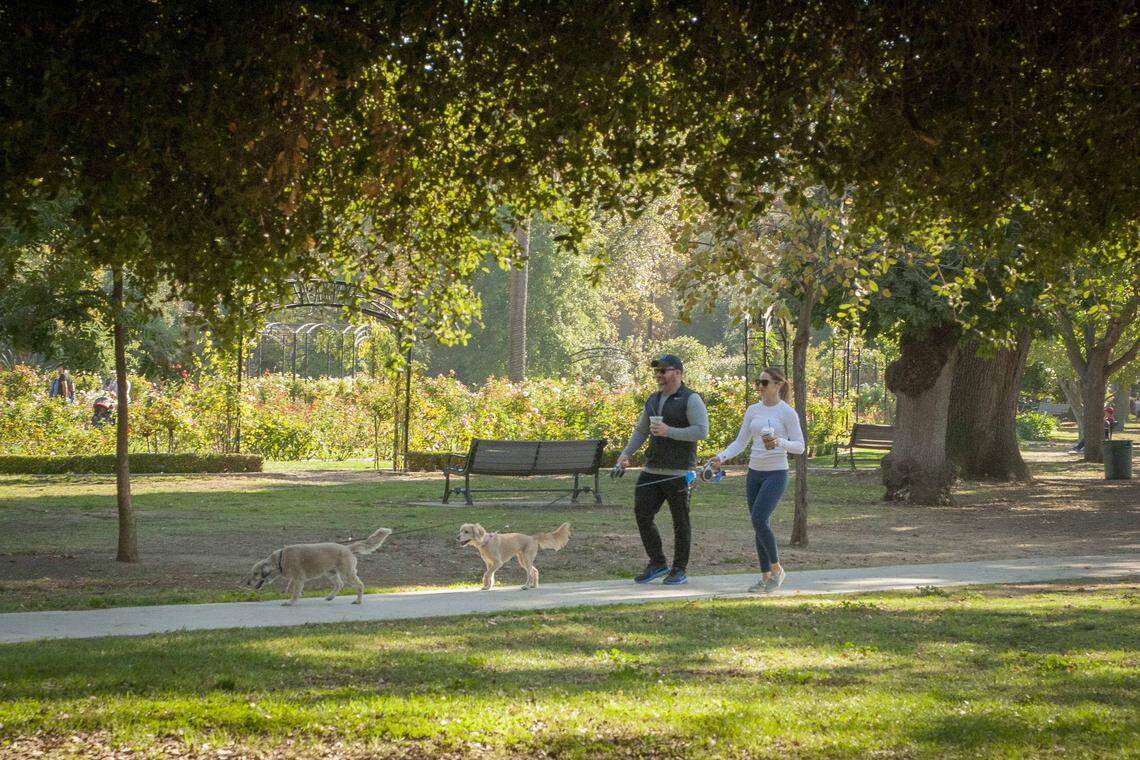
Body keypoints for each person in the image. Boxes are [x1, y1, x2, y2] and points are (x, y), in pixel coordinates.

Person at [709, 367, 805, 593]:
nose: (759, 387)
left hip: (776, 472)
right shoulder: (753, 410)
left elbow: (800, 447)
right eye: (758, 383)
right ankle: (764, 577)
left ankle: (777, 569)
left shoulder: (787, 413)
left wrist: (779, 442)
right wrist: (721, 457)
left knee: (760, 519)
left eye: (764, 383)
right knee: (758, 524)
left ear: (778, 385)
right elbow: (740, 442)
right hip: (755, 473)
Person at [616, 354, 709, 586]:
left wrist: (670, 431)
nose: (659, 375)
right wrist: (625, 454)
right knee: (642, 514)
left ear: (677, 373)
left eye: (664, 371)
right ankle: (657, 563)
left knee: (681, 522)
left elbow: (701, 431)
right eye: (656, 372)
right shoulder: (653, 399)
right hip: (652, 470)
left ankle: (679, 569)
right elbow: (641, 431)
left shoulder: (691, 399)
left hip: (679, 472)